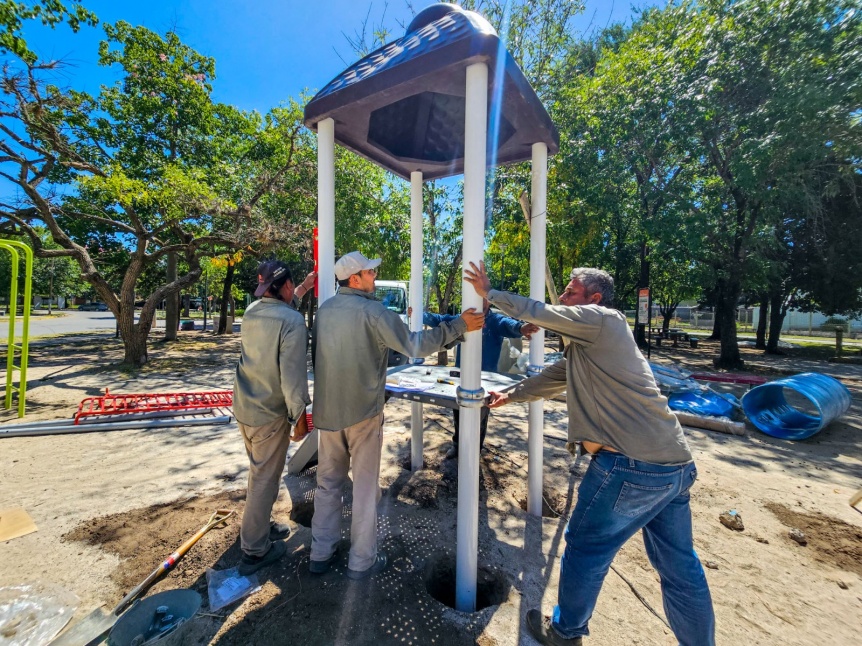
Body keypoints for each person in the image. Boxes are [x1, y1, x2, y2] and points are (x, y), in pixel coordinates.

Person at [464, 261, 714, 646]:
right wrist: (509, 396)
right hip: (674, 465)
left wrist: (490, 294)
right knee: (681, 569)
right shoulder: (588, 347)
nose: (562, 298)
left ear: (593, 299)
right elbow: (552, 378)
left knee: (585, 549)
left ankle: (565, 633)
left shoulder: (603, 319)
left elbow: (542, 312)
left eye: (570, 292)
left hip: (630, 466)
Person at [310, 251, 484, 579]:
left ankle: (320, 553)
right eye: (370, 272)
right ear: (355, 279)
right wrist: (460, 325)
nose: (375, 276)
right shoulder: (374, 312)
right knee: (363, 488)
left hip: (327, 411)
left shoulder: (325, 311)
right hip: (362, 413)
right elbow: (414, 346)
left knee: (327, 483)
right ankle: (361, 561)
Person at [232, 261, 312, 576]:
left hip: (244, 407)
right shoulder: (293, 322)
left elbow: (280, 311)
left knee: (258, 473)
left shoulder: (252, 311)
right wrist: (299, 417)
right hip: (268, 415)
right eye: (294, 287)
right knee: (265, 480)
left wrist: (302, 288)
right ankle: (254, 551)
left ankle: (259, 527)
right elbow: (292, 380)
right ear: (286, 286)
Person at [421, 300, 538, 459]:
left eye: (481, 297)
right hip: (462, 376)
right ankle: (457, 446)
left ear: (488, 302)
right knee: (458, 411)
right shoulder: (461, 320)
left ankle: (475, 451)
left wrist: (522, 328)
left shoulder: (495, 321)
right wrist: (419, 315)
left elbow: (509, 325)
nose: (475, 299)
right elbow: (439, 319)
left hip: (485, 381)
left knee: (480, 416)